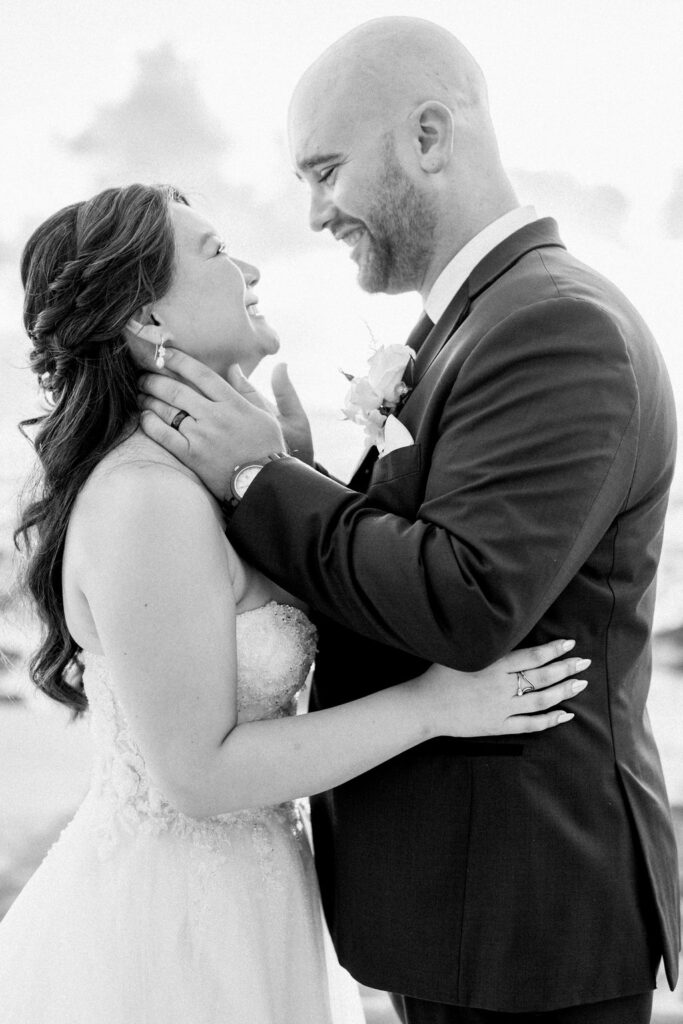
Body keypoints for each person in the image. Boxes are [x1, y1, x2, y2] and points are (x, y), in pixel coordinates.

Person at [138, 16, 680, 1024]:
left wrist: (260, 481)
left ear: (429, 136)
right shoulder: (483, 316)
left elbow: (460, 596)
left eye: (325, 170)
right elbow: (410, 553)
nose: (310, 213)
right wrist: (303, 475)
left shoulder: (552, 325)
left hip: (522, 920)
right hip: (470, 913)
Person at [0, 183, 585, 1024]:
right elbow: (198, 775)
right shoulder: (144, 497)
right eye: (211, 252)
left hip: (255, 901)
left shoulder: (202, 484)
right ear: (148, 322)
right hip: (173, 938)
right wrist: (433, 707)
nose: (247, 265)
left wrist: (282, 483)